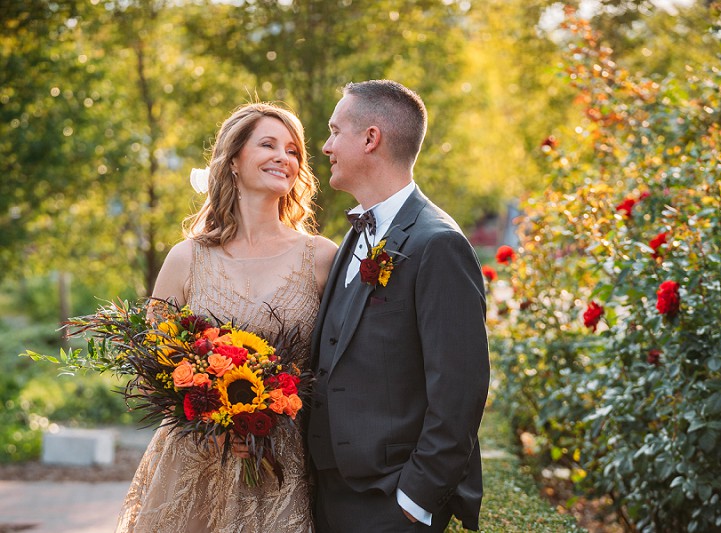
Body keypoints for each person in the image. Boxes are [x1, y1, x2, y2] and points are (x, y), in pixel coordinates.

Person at [116, 102, 338, 532]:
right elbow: (150, 366)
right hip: (194, 461)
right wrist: (209, 418)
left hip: (280, 463)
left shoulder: (322, 258)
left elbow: (339, 366)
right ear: (233, 160)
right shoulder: (187, 259)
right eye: (268, 144)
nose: (284, 157)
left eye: (293, 151)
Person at [307, 80, 490, 532]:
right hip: (330, 495)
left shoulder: (438, 243)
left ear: (371, 139)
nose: (326, 145)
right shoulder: (355, 234)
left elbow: (460, 390)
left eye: (334, 131)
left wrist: (415, 499)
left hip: (391, 505)